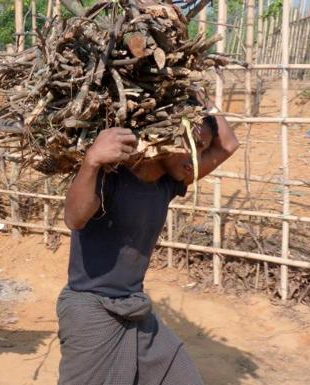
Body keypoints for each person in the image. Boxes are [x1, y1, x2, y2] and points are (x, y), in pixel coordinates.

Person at [57, 94, 239, 385]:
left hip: (135, 308)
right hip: (91, 312)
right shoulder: (112, 174)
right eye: (190, 145)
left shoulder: (169, 184)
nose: (196, 157)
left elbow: (228, 144)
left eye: (201, 148)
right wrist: (91, 160)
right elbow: (74, 219)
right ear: (164, 138)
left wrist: (202, 97)